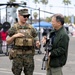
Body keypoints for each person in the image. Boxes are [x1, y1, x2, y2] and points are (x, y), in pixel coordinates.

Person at [6, 8, 40, 75]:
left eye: (27, 16)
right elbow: (7, 41)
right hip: (17, 55)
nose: (26, 18)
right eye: (24, 16)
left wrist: (37, 42)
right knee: (16, 73)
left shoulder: (31, 28)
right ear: (19, 15)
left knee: (29, 73)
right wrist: (14, 36)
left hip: (29, 55)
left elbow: (36, 37)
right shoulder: (14, 28)